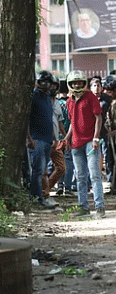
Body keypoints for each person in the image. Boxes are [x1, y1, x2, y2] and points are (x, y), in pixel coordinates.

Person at [62, 70, 106, 218]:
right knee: (80, 176)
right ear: (70, 84)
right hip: (75, 144)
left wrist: (95, 138)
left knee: (94, 175)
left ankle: (100, 207)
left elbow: (98, 118)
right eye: (75, 83)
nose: (77, 85)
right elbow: (72, 123)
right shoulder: (69, 101)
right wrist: (66, 138)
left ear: (84, 83)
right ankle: (83, 207)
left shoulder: (91, 97)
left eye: (80, 82)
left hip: (90, 142)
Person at [27, 71, 56, 208]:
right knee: (37, 170)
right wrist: (29, 138)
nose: (46, 84)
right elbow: (26, 118)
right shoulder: (33, 96)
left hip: (47, 139)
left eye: (48, 82)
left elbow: (49, 120)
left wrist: (54, 138)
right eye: (43, 81)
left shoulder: (47, 98)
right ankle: (36, 199)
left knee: (43, 170)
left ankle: (40, 197)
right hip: (36, 138)